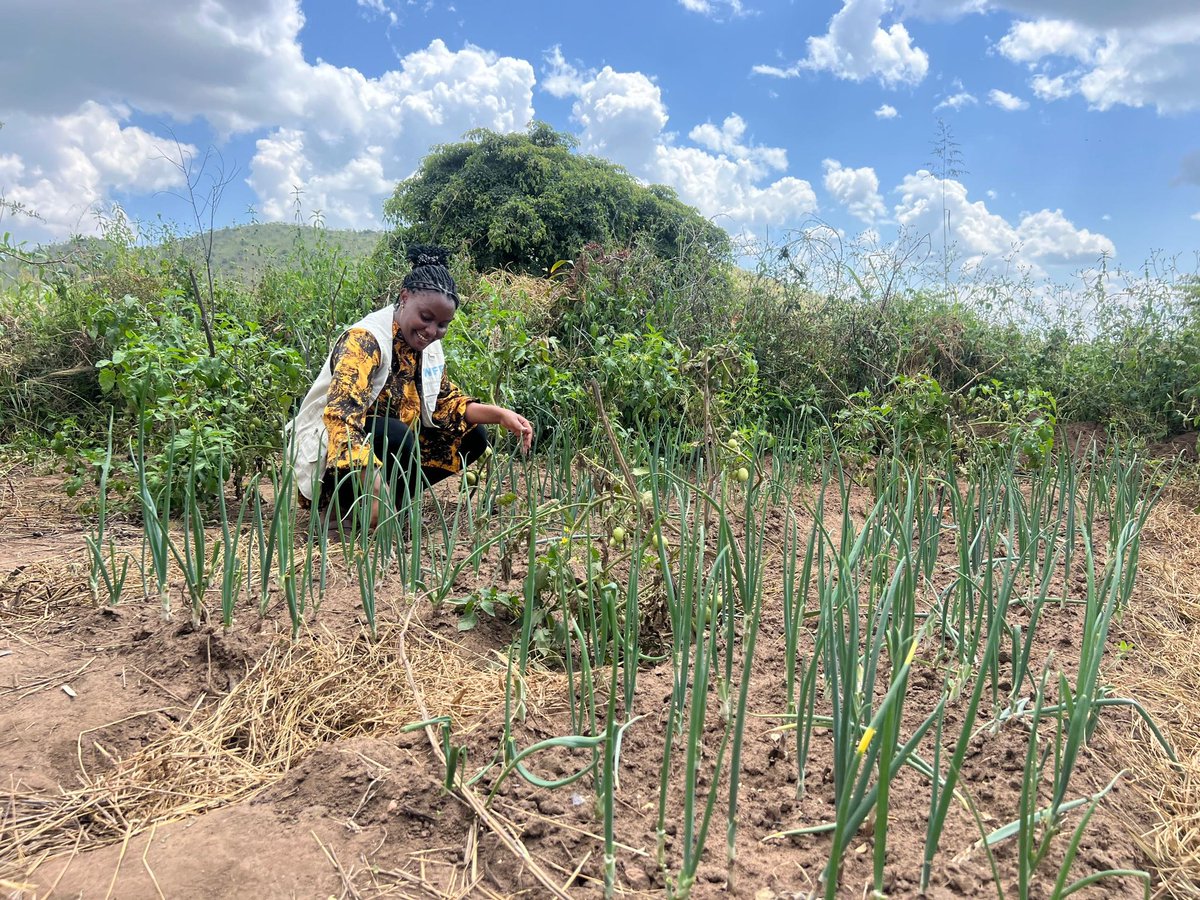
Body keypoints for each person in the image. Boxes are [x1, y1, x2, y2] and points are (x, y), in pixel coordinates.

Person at [285, 246, 533, 524]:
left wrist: (500, 415)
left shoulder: (427, 347)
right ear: (404, 298)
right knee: (394, 433)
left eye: (442, 324)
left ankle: (391, 506)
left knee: (474, 437)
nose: (431, 331)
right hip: (338, 449)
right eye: (426, 318)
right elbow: (341, 419)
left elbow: (445, 403)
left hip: (392, 444)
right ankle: (341, 509)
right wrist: (374, 484)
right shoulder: (364, 340)